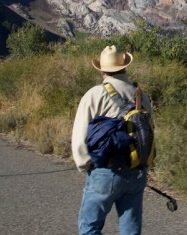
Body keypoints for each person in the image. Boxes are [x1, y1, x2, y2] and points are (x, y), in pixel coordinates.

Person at [72, 45, 154, 235]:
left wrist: (85, 165)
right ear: (125, 67)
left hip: (104, 172)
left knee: (90, 228)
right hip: (136, 172)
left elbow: (79, 136)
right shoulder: (141, 96)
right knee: (131, 231)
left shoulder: (94, 94)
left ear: (101, 70)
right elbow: (149, 132)